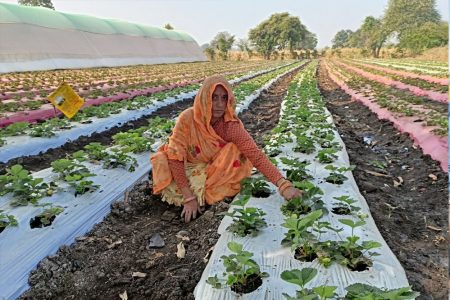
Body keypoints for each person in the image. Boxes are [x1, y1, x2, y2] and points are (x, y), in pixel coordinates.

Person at [150, 75, 303, 223]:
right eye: (214, 97)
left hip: (213, 170)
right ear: (204, 98)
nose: (219, 104)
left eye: (224, 98)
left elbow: (255, 155)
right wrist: (189, 198)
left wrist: (284, 185)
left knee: (235, 152)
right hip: (186, 168)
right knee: (165, 159)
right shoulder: (188, 118)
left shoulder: (230, 125)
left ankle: (207, 196)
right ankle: (194, 195)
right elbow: (175, 157)